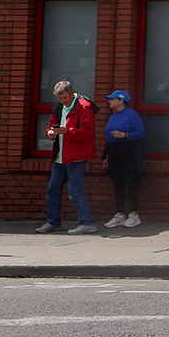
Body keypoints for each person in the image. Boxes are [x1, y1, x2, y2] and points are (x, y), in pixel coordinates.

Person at [39, 80, 98, 235]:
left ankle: (87, 222)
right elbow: (51, 126)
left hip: (76, 156)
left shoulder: (84, 107)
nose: (62, 101)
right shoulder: (58, 108)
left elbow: (87, 132)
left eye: (65, 97)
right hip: (61, 155)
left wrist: (67, 131)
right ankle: (53, 222)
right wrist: (50, 133)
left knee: (75, 191)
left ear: (72, 93)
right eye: (59, 98)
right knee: (53, 190)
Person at [100, 90, 147, 228]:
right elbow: (108, 137)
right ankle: (119, 214)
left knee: (131, 182)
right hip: (114, 153)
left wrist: (125, 135)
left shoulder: (132, 114)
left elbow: (140, 132)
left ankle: (134, 214)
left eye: (112, 99)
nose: (109, 101)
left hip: (129, 152)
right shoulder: (113, 116)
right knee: (117, 183)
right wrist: (107, 156)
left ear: (121, 100)